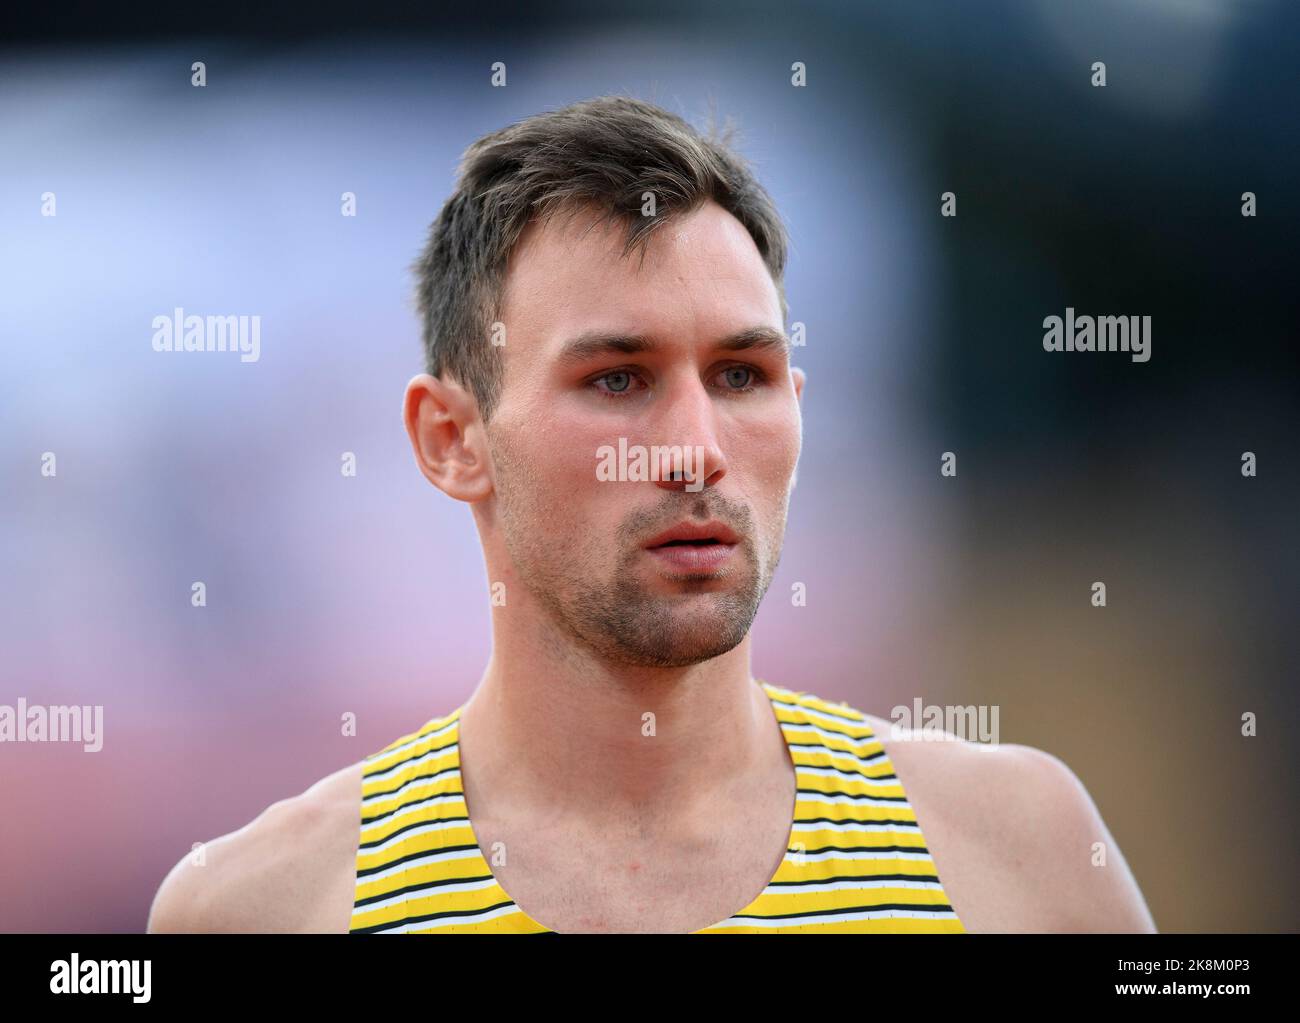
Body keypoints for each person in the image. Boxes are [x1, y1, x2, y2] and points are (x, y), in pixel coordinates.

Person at [147, 95, 1156, 934]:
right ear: (451, 439)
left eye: (740, 374)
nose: (696, 449)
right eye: (619, 377)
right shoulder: (269, 907)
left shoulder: (1017, 854)